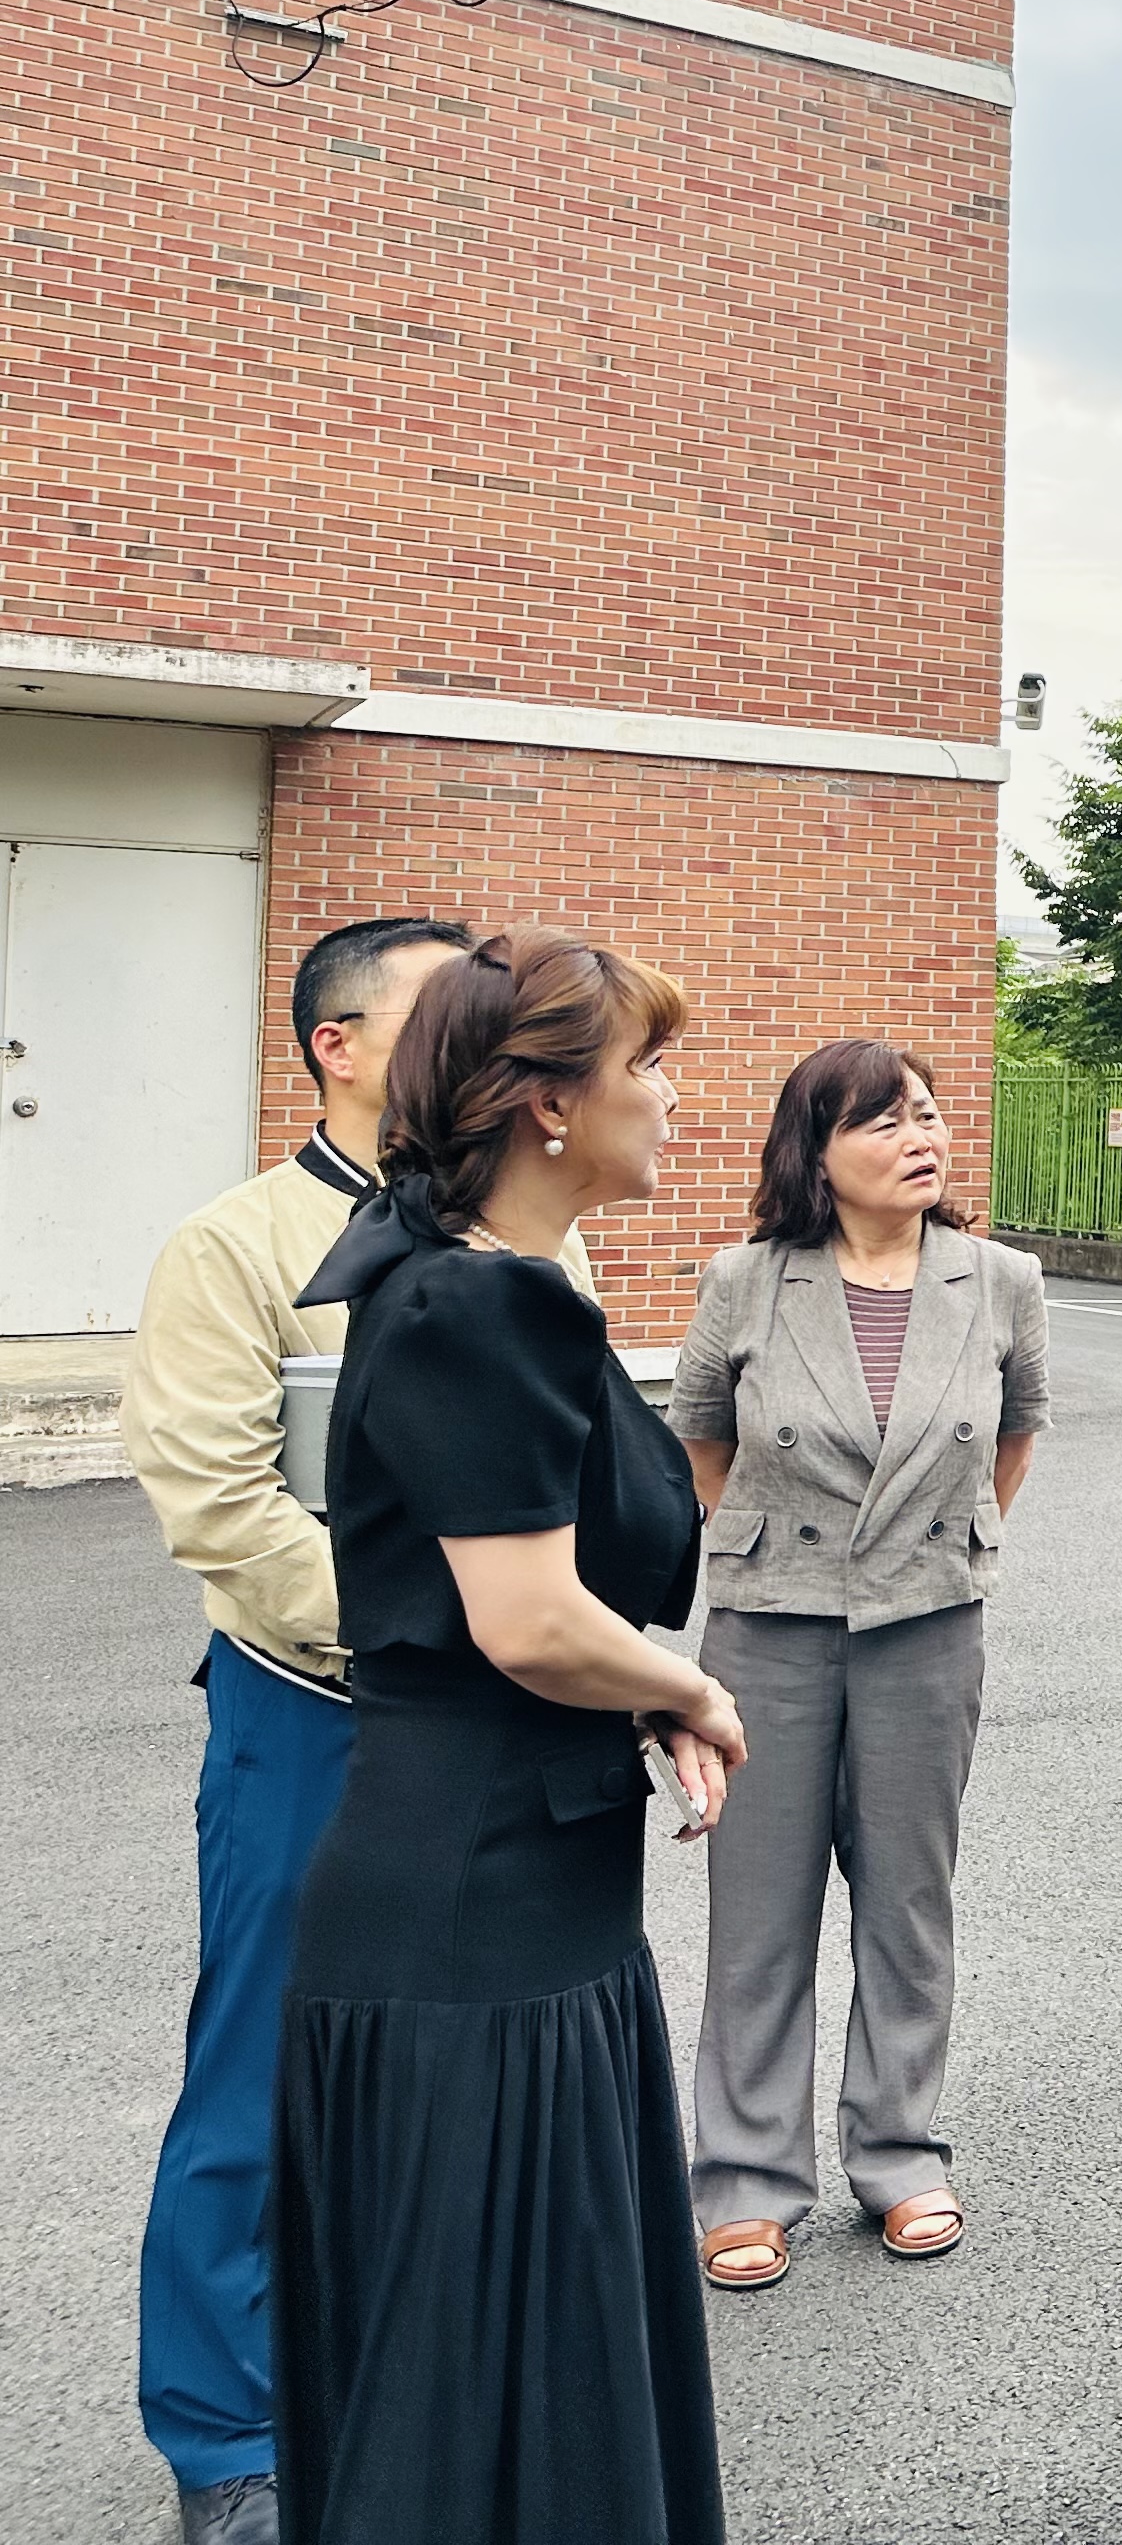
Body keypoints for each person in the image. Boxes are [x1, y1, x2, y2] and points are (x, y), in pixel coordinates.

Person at [274, 928, 741, 2545]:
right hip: (473, 1918)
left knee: (510, 2373)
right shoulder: (473, 1302)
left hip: (515, 1890)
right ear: (548, 1102)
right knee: (476, 2390)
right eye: (647, 1066)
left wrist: (641, 1693)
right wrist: (691, 1688)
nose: (672, 1097)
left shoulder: (481, 1281)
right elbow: (528, 1619)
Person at [120, 916, 478, 2545]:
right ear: (337, 1044)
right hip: (312, 1704)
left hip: (490, 1718)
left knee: (455, 2063)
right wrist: (436, 1618)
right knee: (261, 2072)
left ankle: (404, 2375)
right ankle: (225, 2437)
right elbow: (219, 1500)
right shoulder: (234, 1246)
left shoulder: (515, 1234)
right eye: (439, 1012)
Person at [667, 1039, 1048, 2293]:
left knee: (907, 1902)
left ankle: (898, 2154)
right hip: (770, 1628)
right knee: (757, 1912)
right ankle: (746, 2180)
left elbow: (1015, 1438)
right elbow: (703, 1441)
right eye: (882, 1123)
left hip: (928, 1626)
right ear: (817, 1154)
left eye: (926, 1116)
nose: (918, 1139)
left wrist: (932, 1550)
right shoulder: (746, 1280)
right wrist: (789, 1546)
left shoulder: (1000, 1281)